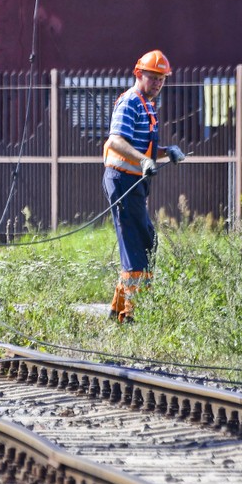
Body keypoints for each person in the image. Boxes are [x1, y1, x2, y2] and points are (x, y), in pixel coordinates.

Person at [102, 50, 185, 324]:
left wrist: (165, 152)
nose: (158, 84)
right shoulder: (129, 103)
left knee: (147, 240)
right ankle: (130, 317)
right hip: (122, 180)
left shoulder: (147, 105)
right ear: (139, 74)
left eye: (162, 79)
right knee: (135, 247)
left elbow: (142, 147)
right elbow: (116, 142)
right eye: (153, 78)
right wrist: (144, 160)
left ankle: (118, 311)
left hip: (135, 180)